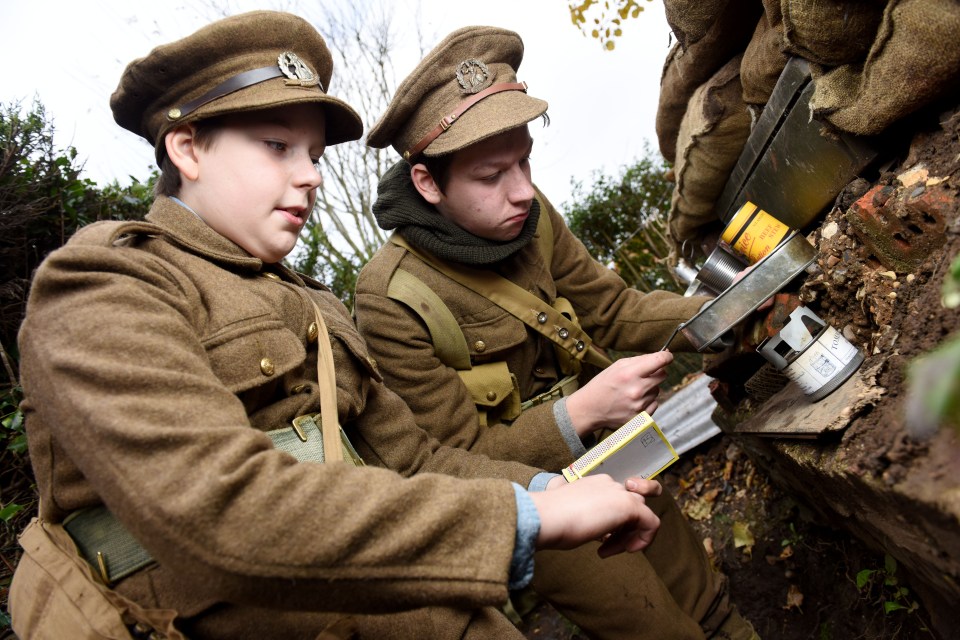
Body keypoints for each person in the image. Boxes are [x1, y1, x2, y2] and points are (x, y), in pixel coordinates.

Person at [8, 12, 671, 640]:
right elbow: (224, 513)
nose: (311, 177)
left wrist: (547, 488)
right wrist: (527, 517)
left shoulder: (315, 304)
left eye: (315, 154)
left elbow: (415, 460)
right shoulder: (104, 284)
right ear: (188, 149)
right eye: (277, 147)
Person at [354, 26, 759, 640]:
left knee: (705, 599)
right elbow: (449, 462)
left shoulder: (531, 214)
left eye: (525, 160)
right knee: (657, 629)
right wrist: (580, 412)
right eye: (492, 175)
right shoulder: (391, 300)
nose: (521, 190)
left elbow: (613, 310)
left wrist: (731, 305)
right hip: (535, 499)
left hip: (617, 451)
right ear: (428, 184)